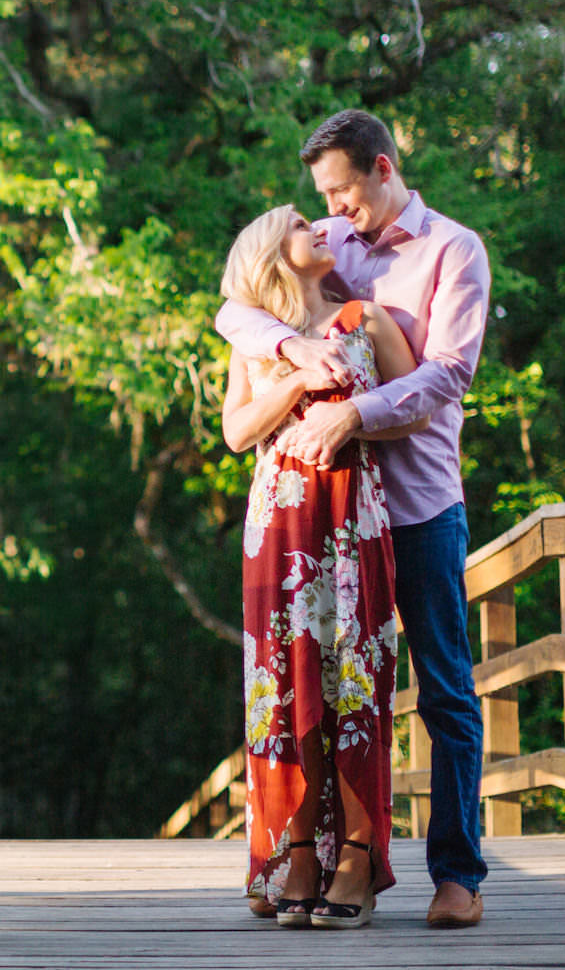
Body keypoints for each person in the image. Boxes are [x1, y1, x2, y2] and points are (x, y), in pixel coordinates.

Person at [217, 109, 491, 929]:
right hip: (318, 524)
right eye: (320, 199)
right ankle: (319, 858)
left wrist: (353, 414)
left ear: (380, 166)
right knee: (317, 692)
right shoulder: (332, 252)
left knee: (440, 687)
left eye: (340, 191)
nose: (332, 210)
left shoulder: (453, 250)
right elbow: (242, 307)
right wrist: (298, 359)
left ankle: (458, 874)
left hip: (416, 502)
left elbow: (448, 375)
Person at [221, 204, 423, 930]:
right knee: (285, 688)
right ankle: (297, 850)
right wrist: (298, 385)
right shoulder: (254, 334)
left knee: (355, 683)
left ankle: (359, 856)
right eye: (302, 223)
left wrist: (351, 409)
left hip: (350, 514)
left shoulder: (366, 317)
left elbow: (415, 408)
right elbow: (238, 431)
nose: (319, 228)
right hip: (278, 522)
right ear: (274, 252)